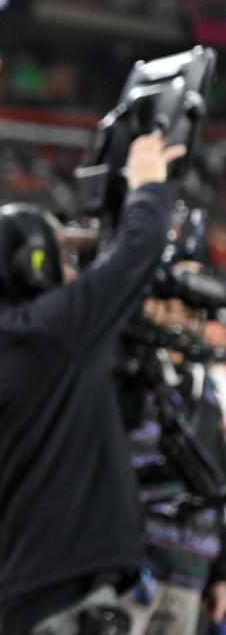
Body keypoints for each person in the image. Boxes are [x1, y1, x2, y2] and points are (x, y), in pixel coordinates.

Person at [0, 131, 185, 635]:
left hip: (15, 588)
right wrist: (148, 184)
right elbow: (141, 247)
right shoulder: (49, 333)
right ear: (32, 266)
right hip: (75, 590)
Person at [118, 259, 226, 633]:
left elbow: (218, 486)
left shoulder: (210, 396)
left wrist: (218, 573)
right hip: (131, 566)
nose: (190, 314)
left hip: (189, 571)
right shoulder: (127, 376)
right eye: (182, 299)